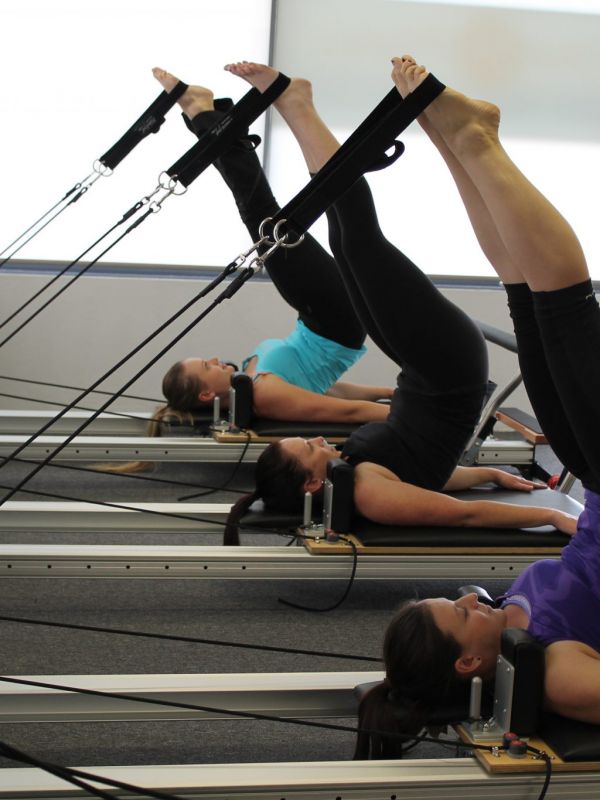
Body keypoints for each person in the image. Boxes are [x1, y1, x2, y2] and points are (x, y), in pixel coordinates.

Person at [354, 55, 600, 750]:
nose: (469, 596)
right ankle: (472, 141)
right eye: (459, 612)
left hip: (598, 490)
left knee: (527, 300)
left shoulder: (511, 623)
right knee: (565, 306)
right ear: (468, 663)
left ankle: (461, 140)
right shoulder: (556, 675)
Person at [222, 60, 578, 541]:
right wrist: (552, 517)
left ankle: (305, 105)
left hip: (423, 372)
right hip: (447, 369)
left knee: (347, 241)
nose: (317, 439)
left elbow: (428, 474)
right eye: (307, 447)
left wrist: (489, 474)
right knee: (360, 240)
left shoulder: (352, 471)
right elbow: (462, 515)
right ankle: (298, 105)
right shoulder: (369, 493)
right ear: (311, 482)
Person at [151, 68, 393, 427]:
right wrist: (421, 416)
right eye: (206, 366)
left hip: (321, 317)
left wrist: (390, 392)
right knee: (262, 214)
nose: (214, 359)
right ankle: (213, 113)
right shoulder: (264, 395)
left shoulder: (249, 379)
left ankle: (210, 115)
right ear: (206, 394)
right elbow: (348, 412)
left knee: (265, 214)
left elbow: (327, 390)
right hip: (334, 319)